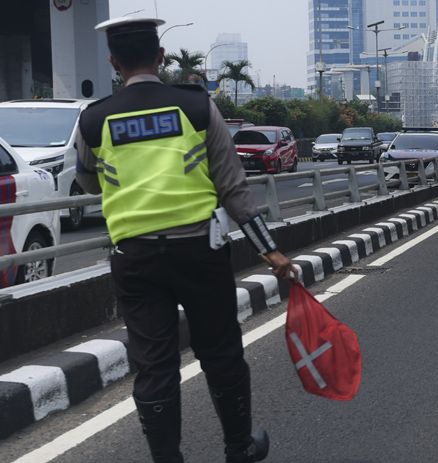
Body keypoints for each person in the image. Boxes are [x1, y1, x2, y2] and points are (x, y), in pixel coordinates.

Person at [76, 17, 293, 462]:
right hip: (199, 253)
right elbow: (234, 188)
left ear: (114, 62)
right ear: (161, 57)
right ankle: (239, 447)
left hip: (134, 258)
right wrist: (269, 249)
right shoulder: (196, 107)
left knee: (153, 366)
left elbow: (90, 183)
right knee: (220, 352)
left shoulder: (94, 119)